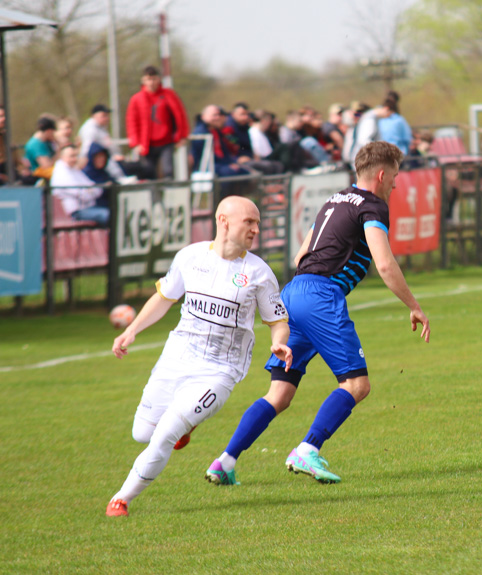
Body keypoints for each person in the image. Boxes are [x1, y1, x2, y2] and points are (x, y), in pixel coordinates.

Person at [205, 141, 430, 486]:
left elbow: (300, 256)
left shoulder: (334, 201)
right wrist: (414, 306)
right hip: (321, 296)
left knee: (279, 393)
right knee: (357, 384)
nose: (396, 185)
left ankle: (225, 461)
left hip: (293, 292)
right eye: (395, 177)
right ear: (382, 175)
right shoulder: (373, 206)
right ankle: (307, 449)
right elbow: (384, 263)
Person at [105, 196, 291, 517]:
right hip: (176, 358)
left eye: (257, 223)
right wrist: (132, 330)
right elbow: (165, 298)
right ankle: (184, 428)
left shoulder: (259, 273)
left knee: (164, 436)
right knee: (142, 433)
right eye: (250, 221)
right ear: (223, 220)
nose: (256, 229)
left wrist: (279, 342)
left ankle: (121, 499)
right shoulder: (190, 257)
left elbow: (277, 320)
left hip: (220, 371)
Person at [126, 65, 189, 180]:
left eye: (154, 79)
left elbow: (180, 115)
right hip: (147, 143)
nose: (151, 83)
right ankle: (153, 197)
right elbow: (132, 121)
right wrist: (135, 143)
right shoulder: (137, 99)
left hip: (166, 141)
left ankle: (170, 196)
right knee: (148, 172)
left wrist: (182, 135)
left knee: (168, 171)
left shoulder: (168, 95)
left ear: (159, 79)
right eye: (148, 79)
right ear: (143, 80)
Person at [50, 145, 108, 225]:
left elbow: (96, 188)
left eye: (76, 155)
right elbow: (82, 194)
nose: (75, 159)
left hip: (87, 207)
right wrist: (90, 191)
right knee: (107, 215)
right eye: (71, 156)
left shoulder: (74, 170)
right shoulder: (61, 173)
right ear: (62, 157)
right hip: (74, 212)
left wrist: (89, 191)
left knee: (113, 213)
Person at [79, 104, 129, 181]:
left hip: (108, 159)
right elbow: (88, 150)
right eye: (103, 116)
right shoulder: (90, 129)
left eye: (107, 116)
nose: (106, 118)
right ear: (94, 116)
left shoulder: (101, 127)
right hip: (99, 162)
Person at [377, 91, 412, 156]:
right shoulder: (379, 118)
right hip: (382, 153)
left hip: (396, 153)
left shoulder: (398, 120)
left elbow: (406, 139)